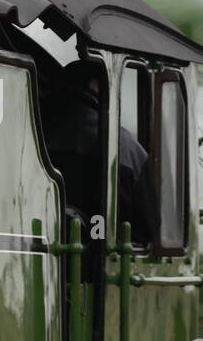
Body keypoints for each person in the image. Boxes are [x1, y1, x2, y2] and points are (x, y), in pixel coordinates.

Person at [41, 60, 160, 246]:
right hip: (96, 260)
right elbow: (147, 230)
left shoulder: (27, 131)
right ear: (94, 86)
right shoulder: (126, 147)